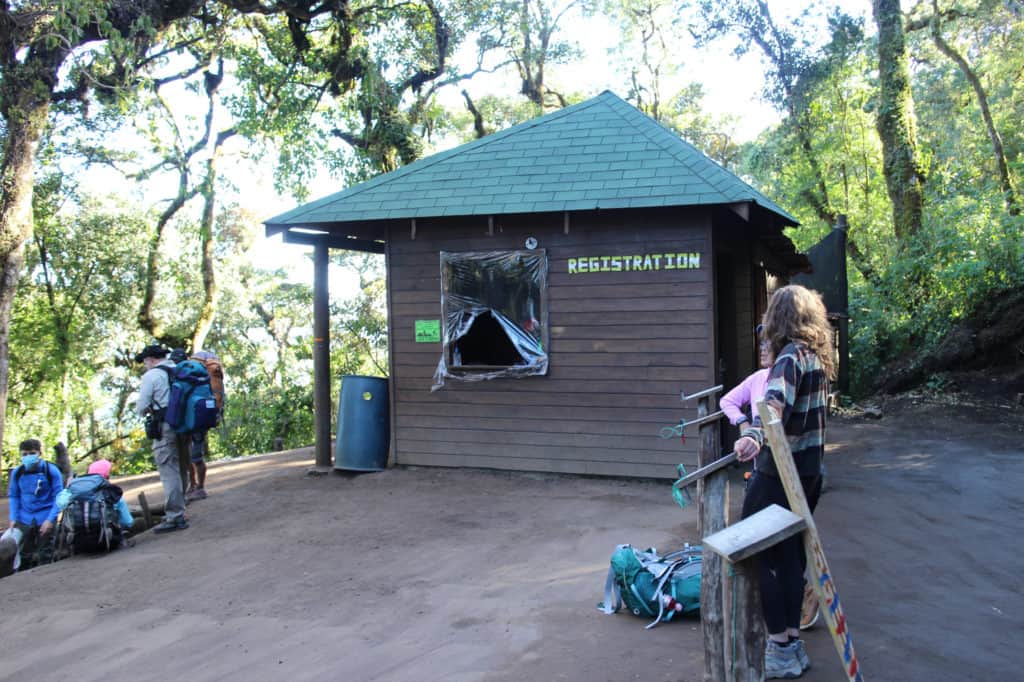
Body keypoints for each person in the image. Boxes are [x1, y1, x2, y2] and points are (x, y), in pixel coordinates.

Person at [733, 285, 834, 679]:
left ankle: (777, 647)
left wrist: (752, 436)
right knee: (791, 557)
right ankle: (792, 644)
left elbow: (773, 405)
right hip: (810, 476)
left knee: (768, 558)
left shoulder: (790, 357)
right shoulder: (816, 356)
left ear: (779, 318)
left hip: (780, 475)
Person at [135, 344, 189, 533]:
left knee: (169, 469)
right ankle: (181, 508)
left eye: (145, 361)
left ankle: (175, 516)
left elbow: (141, 406)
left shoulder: (151, 376)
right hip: (185, 425)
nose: (145, 365)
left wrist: (146, 409)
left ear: (150, 359)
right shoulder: (179, 369)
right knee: (182, 466)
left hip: (165, 426)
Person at [6, 439, 63, 569]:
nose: (28, 457)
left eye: (31, 453)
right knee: (23, 556)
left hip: (45, 517)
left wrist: (50, 520)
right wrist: (13, 517)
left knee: (45, 556)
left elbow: (59, 497)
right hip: (24, 519)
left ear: (39, 453)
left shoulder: (51, 471)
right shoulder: (18, 472)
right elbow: (14, 495)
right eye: (24, 454)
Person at [55, 459, 134, 552]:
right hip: (108, 542)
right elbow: (128, 522)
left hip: (79, 545)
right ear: (107, 475)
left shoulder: (73, 491)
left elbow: (59, 504)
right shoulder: (111, 492)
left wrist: (67, 487)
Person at [185, 349, 224, 502]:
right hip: (203, 418)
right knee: (196, 454)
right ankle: (198, 486)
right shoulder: (214, 375)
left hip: (190, 417)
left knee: (191, 455)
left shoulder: (190, 375)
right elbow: (219, 396)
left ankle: (196, 486)